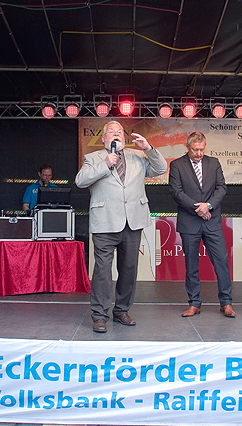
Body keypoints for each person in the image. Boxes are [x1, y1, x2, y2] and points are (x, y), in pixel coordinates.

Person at [75, 120, 167, 333]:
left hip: (132, 221)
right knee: (102, 271)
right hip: (105, 222)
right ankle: (99, 315)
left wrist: (149, 148)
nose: (116, 134)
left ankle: (122, 310)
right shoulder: (93, 158)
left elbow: (161, 168)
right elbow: (80, 181)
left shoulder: (138, 156)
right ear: (103, 138)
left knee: (128, 269)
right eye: (111, 131)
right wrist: (105, 163)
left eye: (120, 131)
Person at [169, 131, 235, 318]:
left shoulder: (214, 163)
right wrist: (198, 208)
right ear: (188, 147)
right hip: (190, 221)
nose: (199, 153)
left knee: (221, 261)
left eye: (202, 150)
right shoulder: (177, 165)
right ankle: (194, 303)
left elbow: (221, 188)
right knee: (191, 265)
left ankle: (226, 302)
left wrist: (209, 206)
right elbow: (176, 192)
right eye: (195, 150)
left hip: (212, 221)